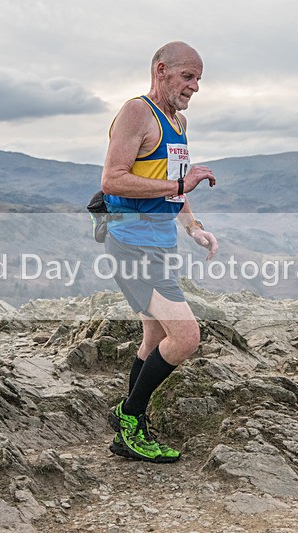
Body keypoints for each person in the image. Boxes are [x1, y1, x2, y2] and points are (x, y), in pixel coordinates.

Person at [101, 41, 218, 463]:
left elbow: (176, 185)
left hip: (161, 244)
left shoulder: (179, 123)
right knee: (186, 337)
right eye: (188, 77)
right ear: (162, 69)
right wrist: (178, 188)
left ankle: (131, 418)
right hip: (131, 245)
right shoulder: (137, 113)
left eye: (199, 79)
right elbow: (113, 180)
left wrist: (194, 227)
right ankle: (130, 420)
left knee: (154, 337)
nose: (195, 88)